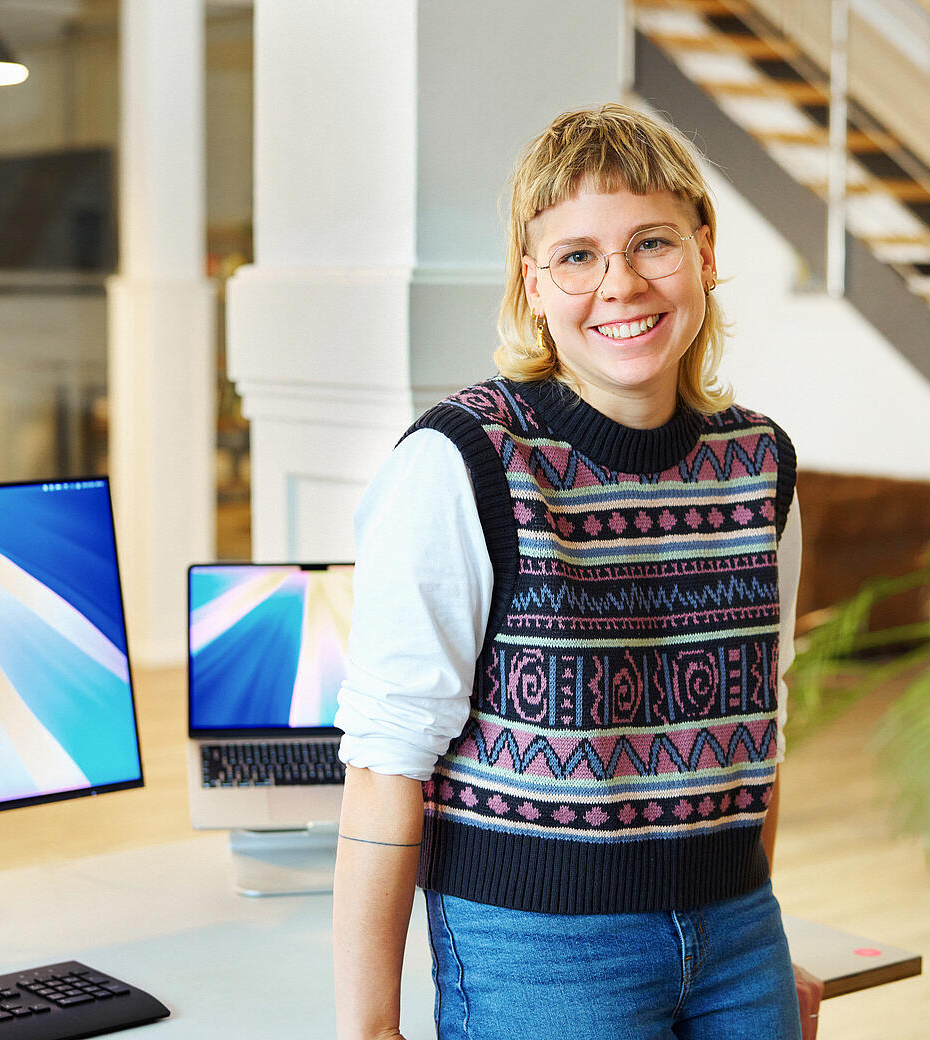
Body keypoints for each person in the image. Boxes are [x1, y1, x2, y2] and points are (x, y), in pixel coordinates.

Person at [332, 102, 822, 1040]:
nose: (622, 284)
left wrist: (754, 935)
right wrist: (369, 1029)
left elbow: (764, 719)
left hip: (737, 936)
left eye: (653, 243)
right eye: (578, 256)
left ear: (706, 254)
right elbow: (387, 759)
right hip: (537, 951)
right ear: (534, 283)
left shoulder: (762, 463)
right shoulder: (464, 459)